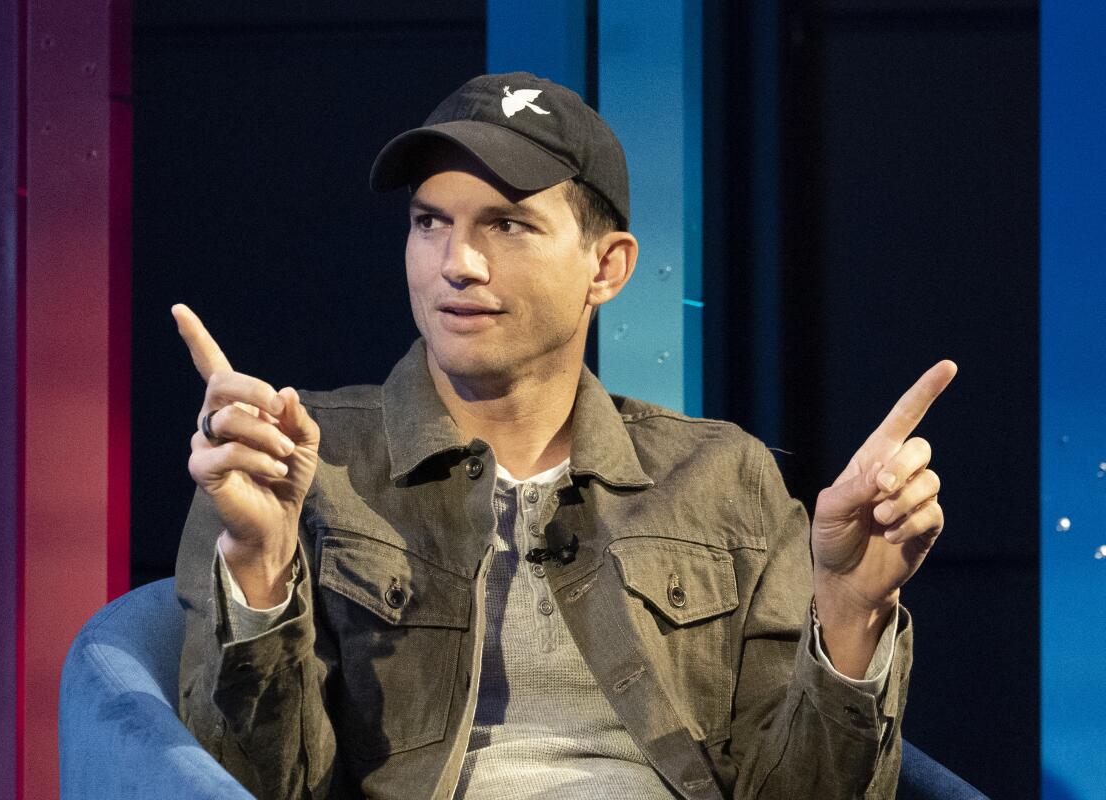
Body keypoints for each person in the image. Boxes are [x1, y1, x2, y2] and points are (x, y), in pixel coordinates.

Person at [172, 72, 955, 800]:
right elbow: (247, 784)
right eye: (429, 223)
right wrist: (262, 571)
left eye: (507, 225)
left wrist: (851, 612)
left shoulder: (724, 479)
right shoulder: (288, 463)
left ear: (607, 269)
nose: (458, 264)